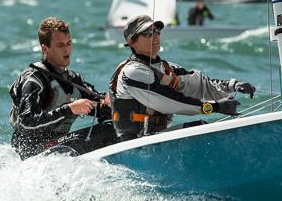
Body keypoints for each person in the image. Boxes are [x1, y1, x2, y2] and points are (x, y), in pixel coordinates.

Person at [109, 15, 256, 141]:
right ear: (131, 41)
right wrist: (215, 107)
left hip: (154, 138)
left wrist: (232, 85)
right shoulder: (132, 72)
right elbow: (168, 100)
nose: (155, 36)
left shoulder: (167, 68)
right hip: (134, 143)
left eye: (157, 31)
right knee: (201, 129)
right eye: (147, 33)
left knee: (203, 128)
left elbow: (200, 84)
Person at [9, 18, 119, 159]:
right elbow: (27, 122)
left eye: (69, 43)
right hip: (31, 152)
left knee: (116, 126)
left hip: (57, 146)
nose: (67, 49)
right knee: (107, 132)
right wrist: (70, 109)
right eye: (60, 45)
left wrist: (113, 103)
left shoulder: (73, 80)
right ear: (45, 49)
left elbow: (101, 106)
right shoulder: (33, 80)